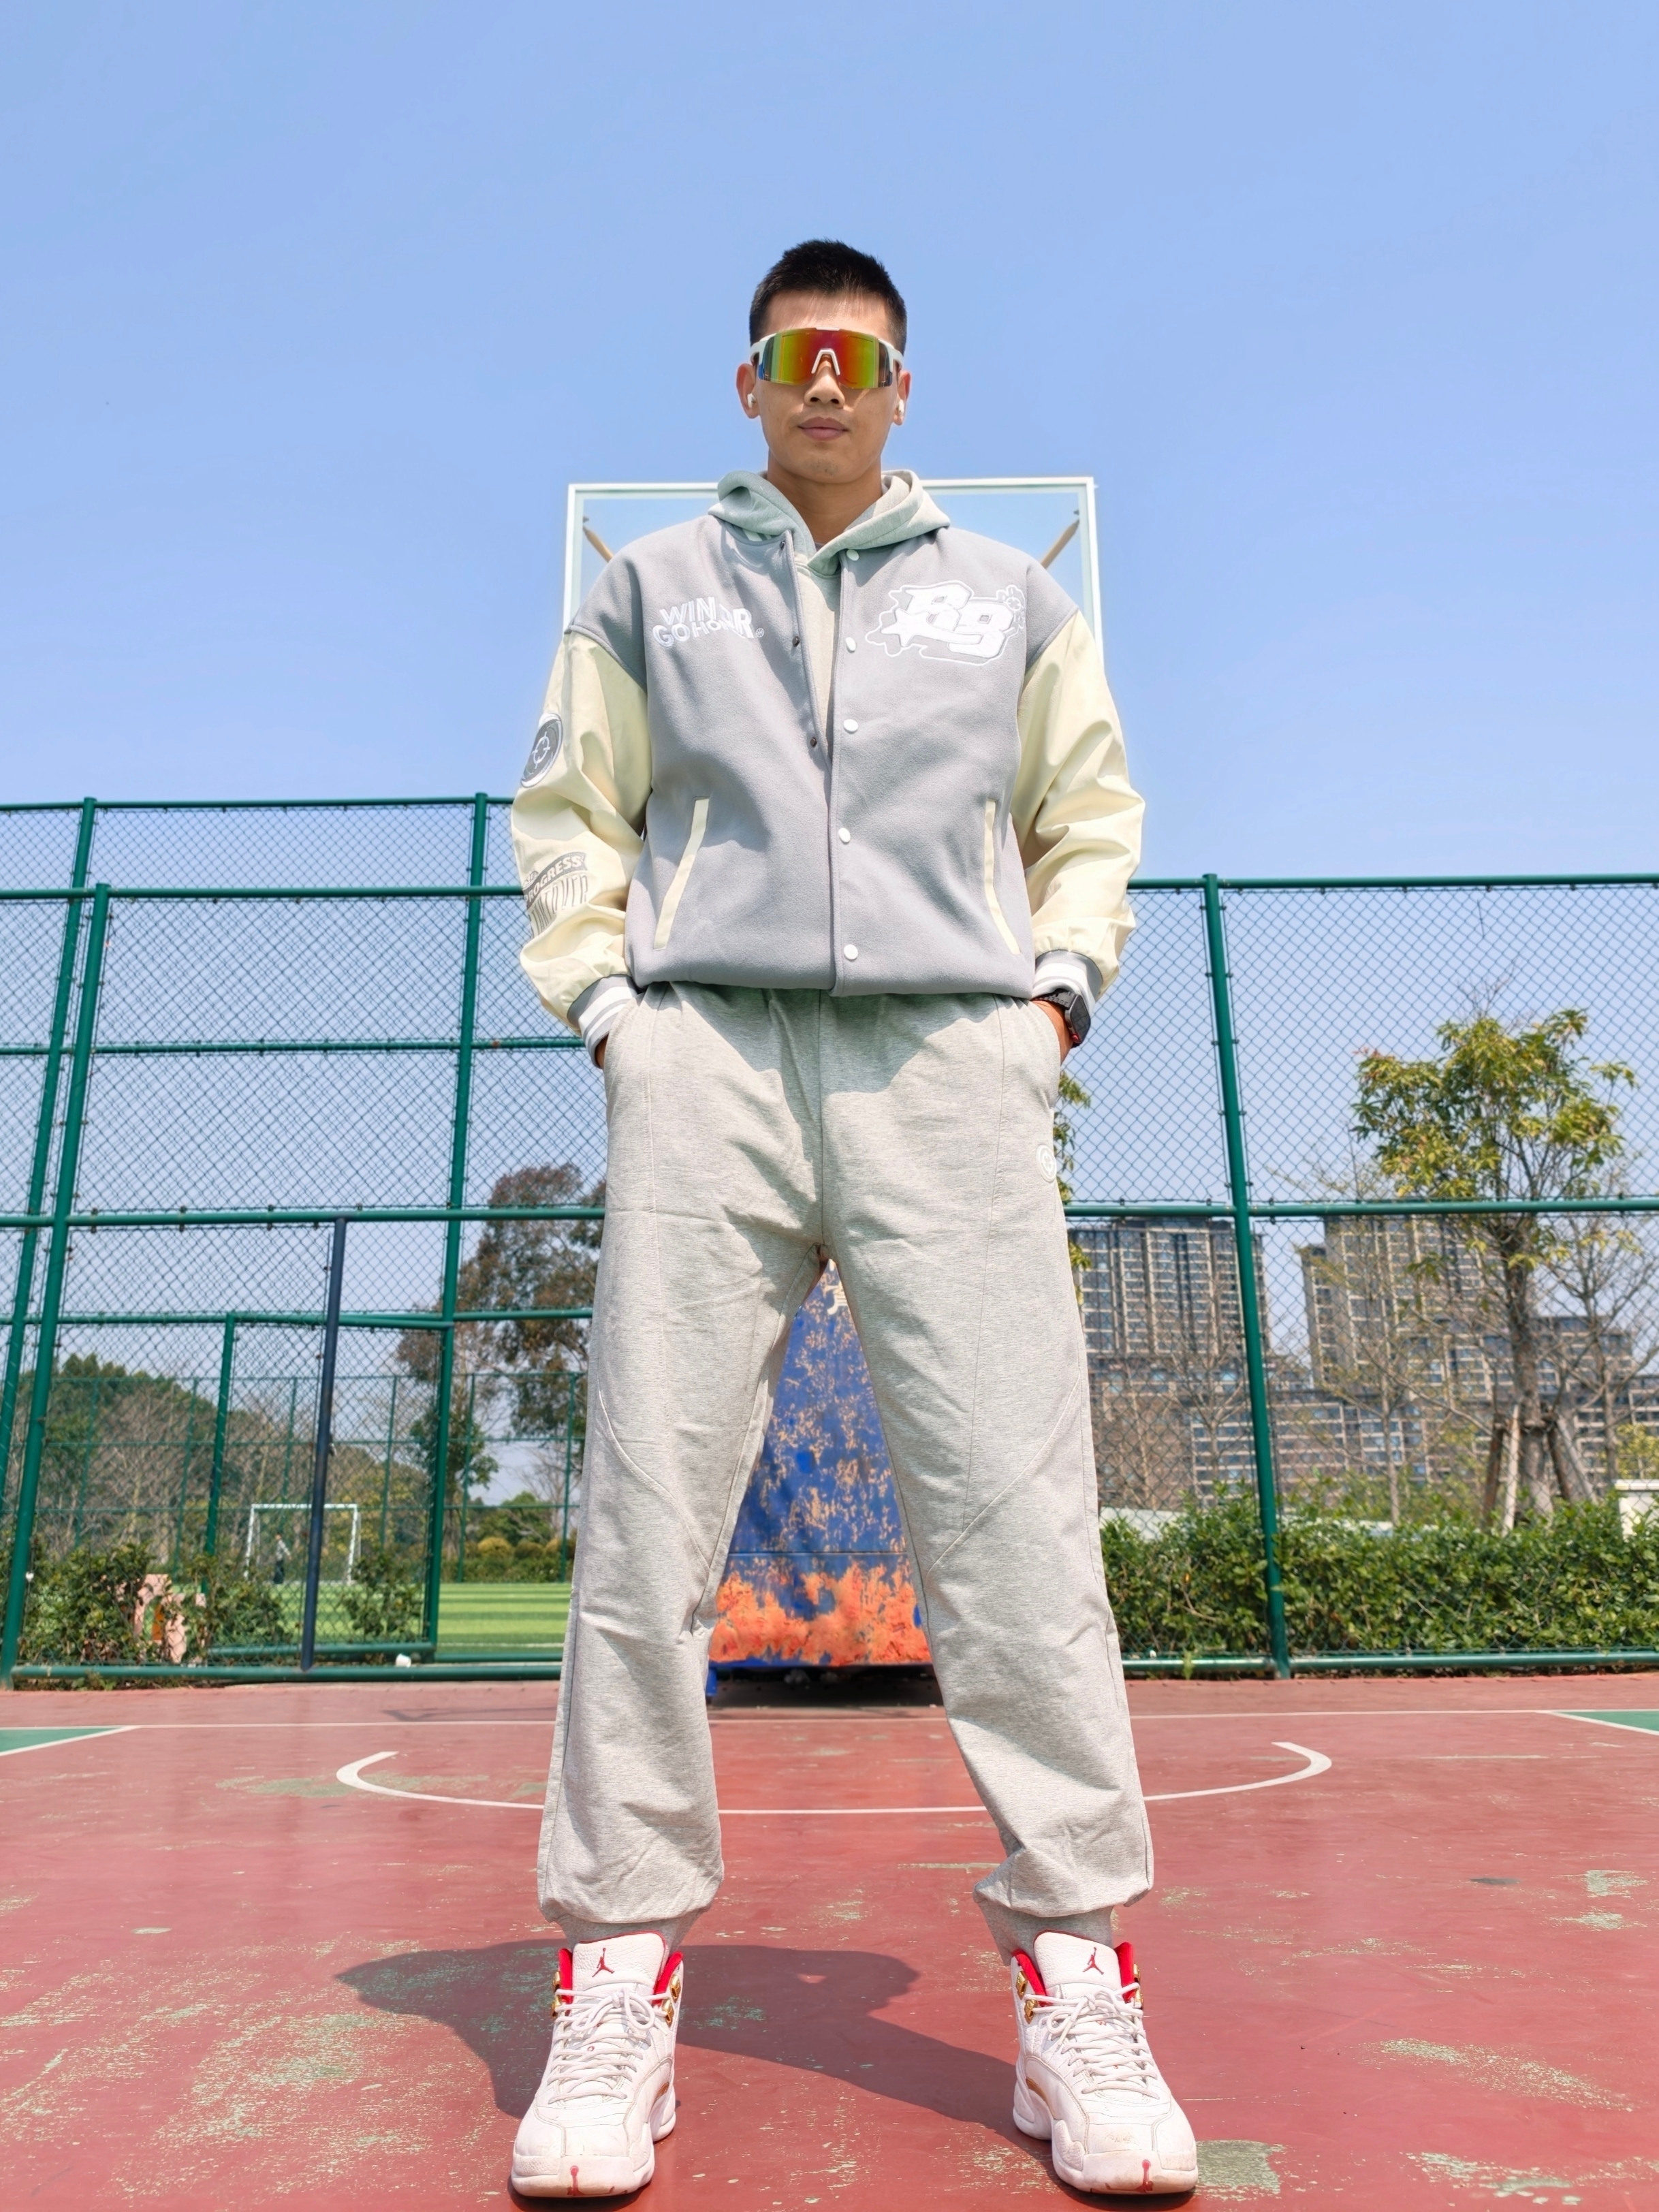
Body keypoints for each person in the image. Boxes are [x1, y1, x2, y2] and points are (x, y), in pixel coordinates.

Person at [507, 238, 1197, 2200]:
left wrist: (1052, 1001)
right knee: (649, 1515)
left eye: (859, 357)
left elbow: (1091, 816)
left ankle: (1078, 1981)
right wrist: (611, 1011)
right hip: (707, 1058)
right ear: (746, 383)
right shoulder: (648, 585)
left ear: (904, 388)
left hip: (949, 1067)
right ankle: (617, 1974)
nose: (826, 380)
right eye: (793, 353)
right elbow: (569, 814)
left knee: (1015, 1524)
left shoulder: (1010, 597)